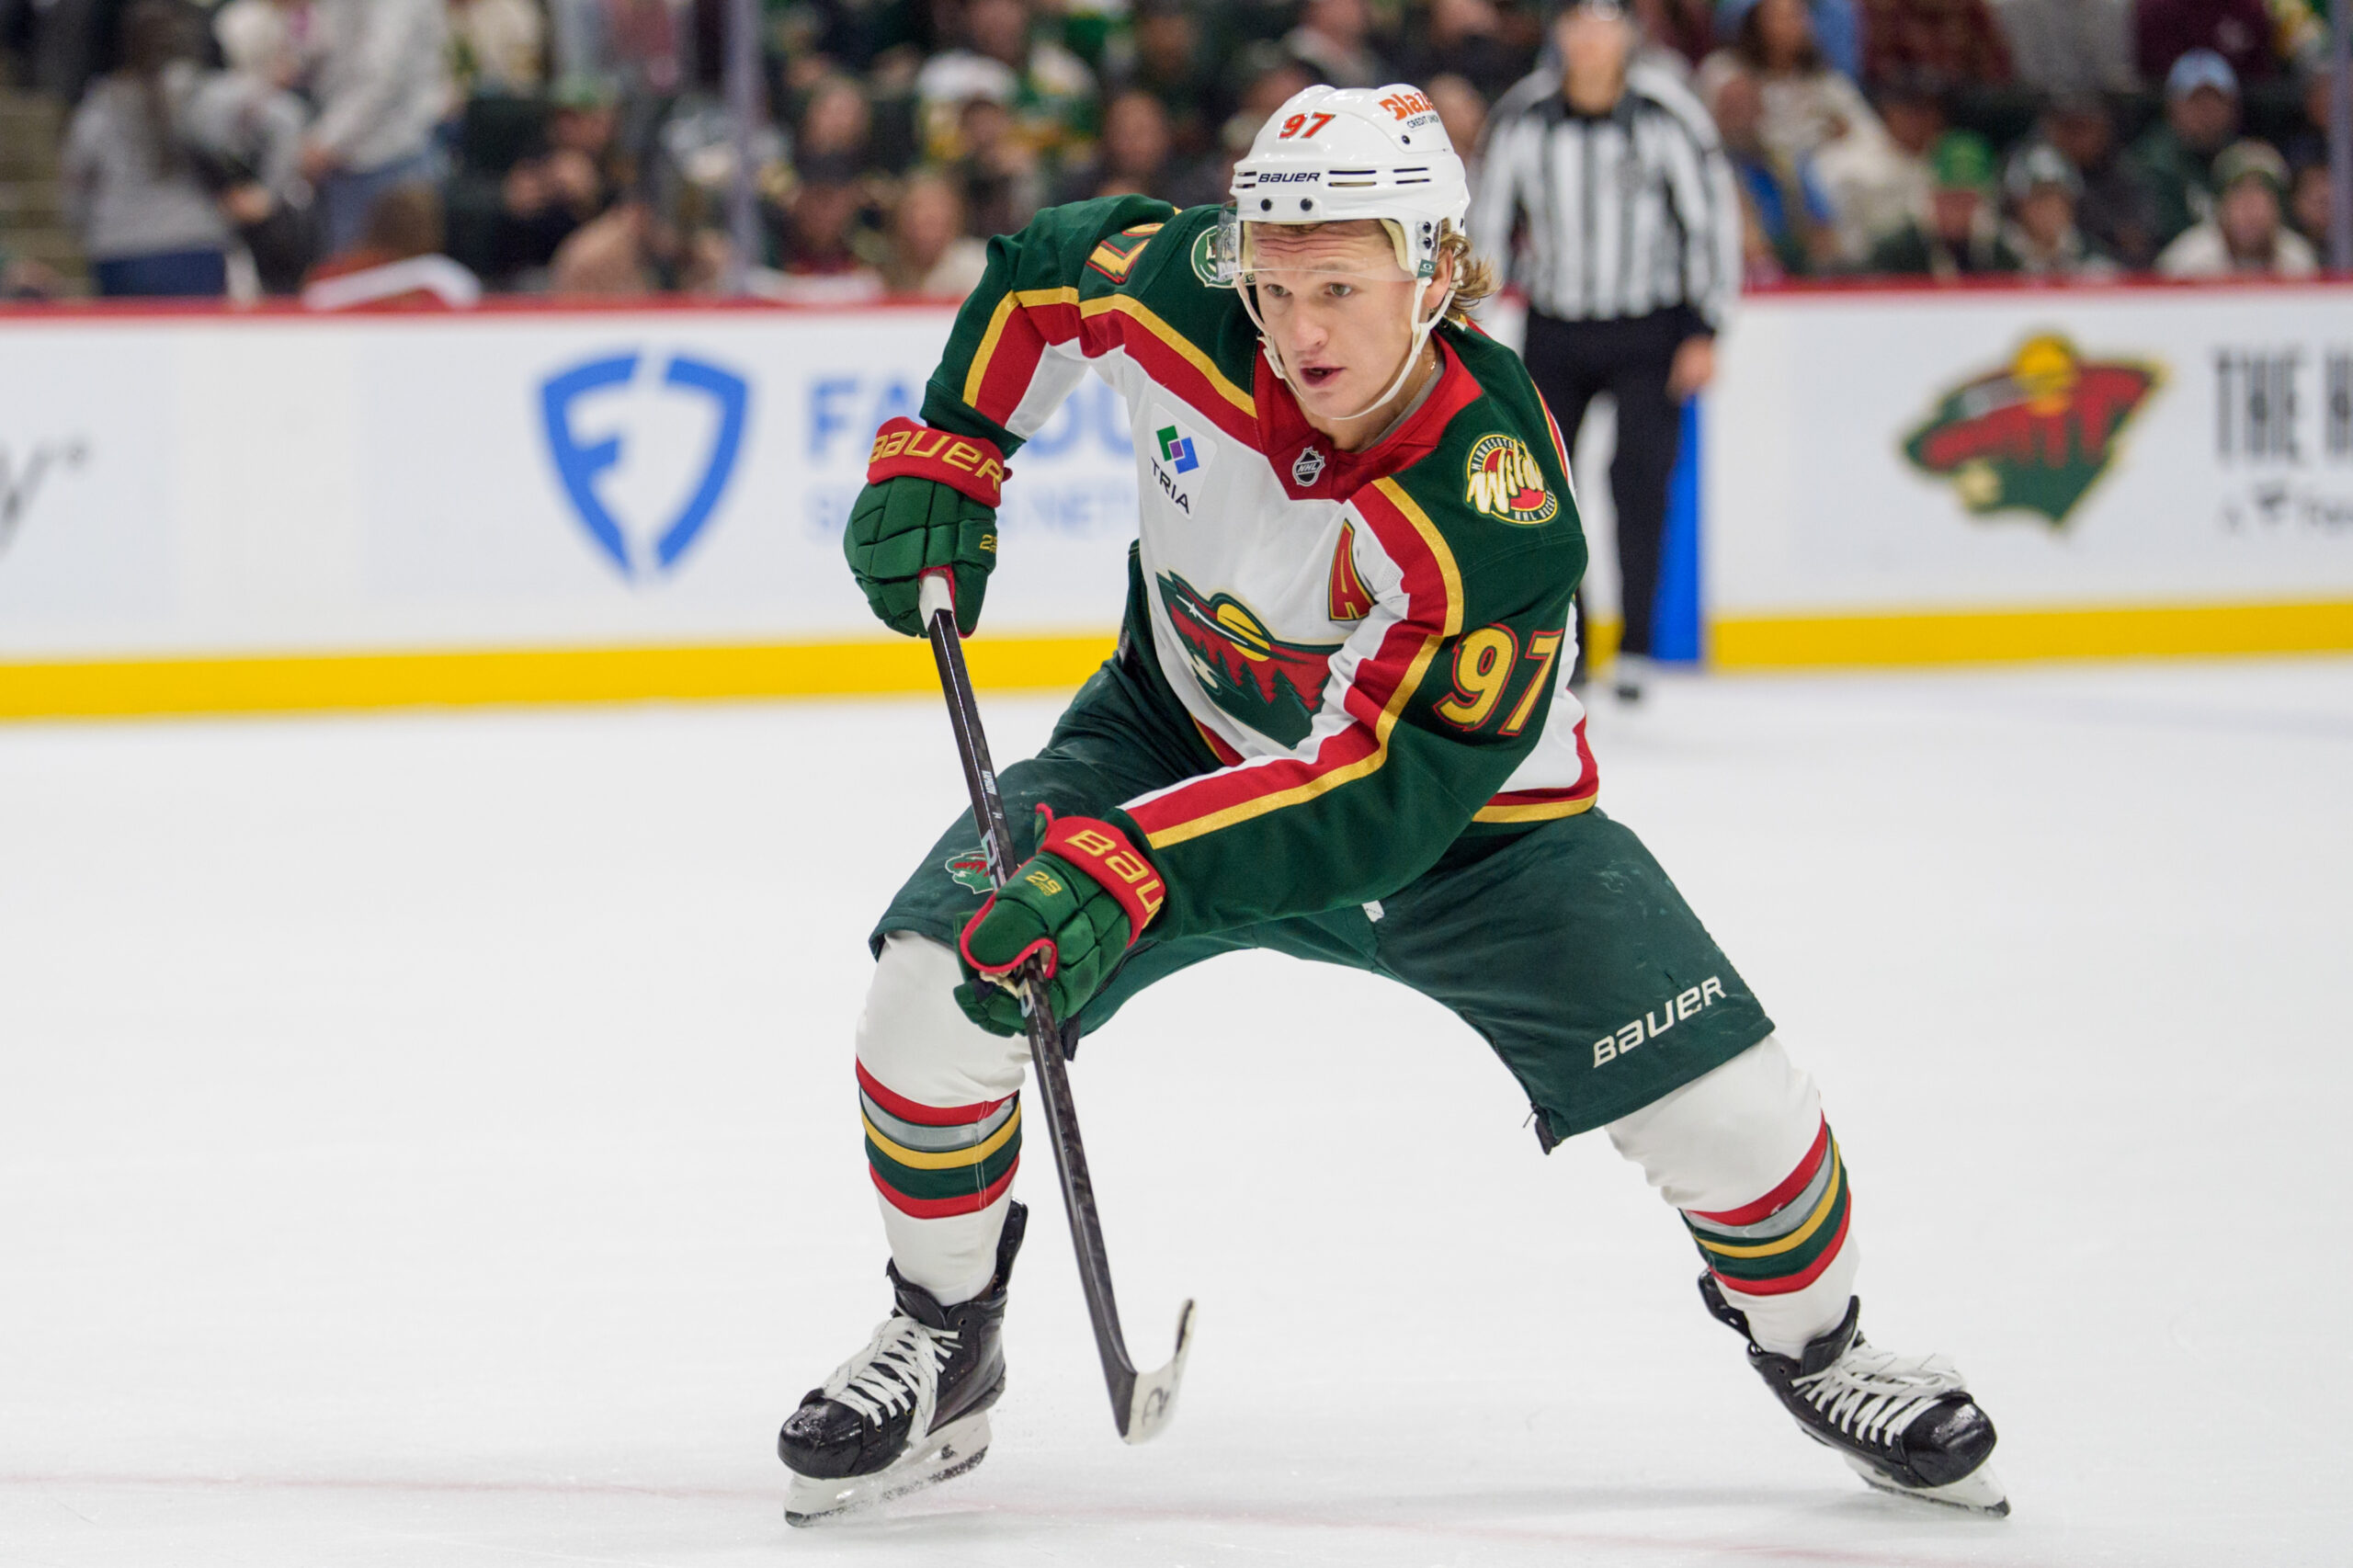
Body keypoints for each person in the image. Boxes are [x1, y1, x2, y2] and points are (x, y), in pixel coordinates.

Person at [777, 75, 2006, 1528]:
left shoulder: (1494, 494)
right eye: (1276, 284)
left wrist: (1132, 863)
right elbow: (1048, 272)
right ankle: (945, 1334)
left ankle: (1825, 1349)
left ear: (1436, 273)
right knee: (931, 993)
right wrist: (959, 442)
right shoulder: (1190, 293)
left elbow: (1381, 797)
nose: (1300, 332)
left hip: (1476, 840)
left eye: (1342, 289)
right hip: (1172, 742)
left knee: (1737, 1115)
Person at [1476, 0, 1740, 701]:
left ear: (1627, 33)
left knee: (1641, 483)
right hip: (1556, 326)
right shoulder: (1523, 116)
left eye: (1604, 22)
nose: (1591, 39)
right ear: (1560, 32)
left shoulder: (1667, 115)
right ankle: (1573, 640)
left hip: (1649, 328)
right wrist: (1470, 326)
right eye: (1578, 22)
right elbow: (1490, 225)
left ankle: (1635, 647)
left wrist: (1706, 328)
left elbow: (1709, 222)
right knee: (1542, 490)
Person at [62, 0, 236, 297]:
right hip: (192, 243)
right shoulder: (200, 94)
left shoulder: (103, 102)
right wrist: (262, 193)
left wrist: (79, 225)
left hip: (119, 249)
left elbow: (76, 176)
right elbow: (277, 121)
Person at [299, 0, 449, 256]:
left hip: (390, 158)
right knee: (347, 270)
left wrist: (326, 142)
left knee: (385, 272)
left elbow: (380, 79)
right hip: (349, 159)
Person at [2125, 48, 2242, 252]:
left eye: (2216, 100)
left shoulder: (2241, 159)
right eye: (2196, 101)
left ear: (2232, 107)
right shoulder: (2150, 163)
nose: (2207, 112)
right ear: (2173, 106)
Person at [1863, 128, 2020, 275]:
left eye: (1965, 200)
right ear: (1931, 196)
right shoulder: (1896, 251)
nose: (1956, 211)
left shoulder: (1996, 252)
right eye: (1949, 198)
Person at [2154, 138, 2317, 278]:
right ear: (2221, 206)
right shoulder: (2187, 262)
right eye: (2241, 199)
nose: (2251, 213)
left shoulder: (2298, 259)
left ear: (2278, 208)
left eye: (2260, 201)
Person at [1998, 142, 2115, 278]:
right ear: (2018, 206)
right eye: (2038, 197)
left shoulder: (2092, 256)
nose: (2048, 207)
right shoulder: (1995, 255)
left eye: (2057, 197)